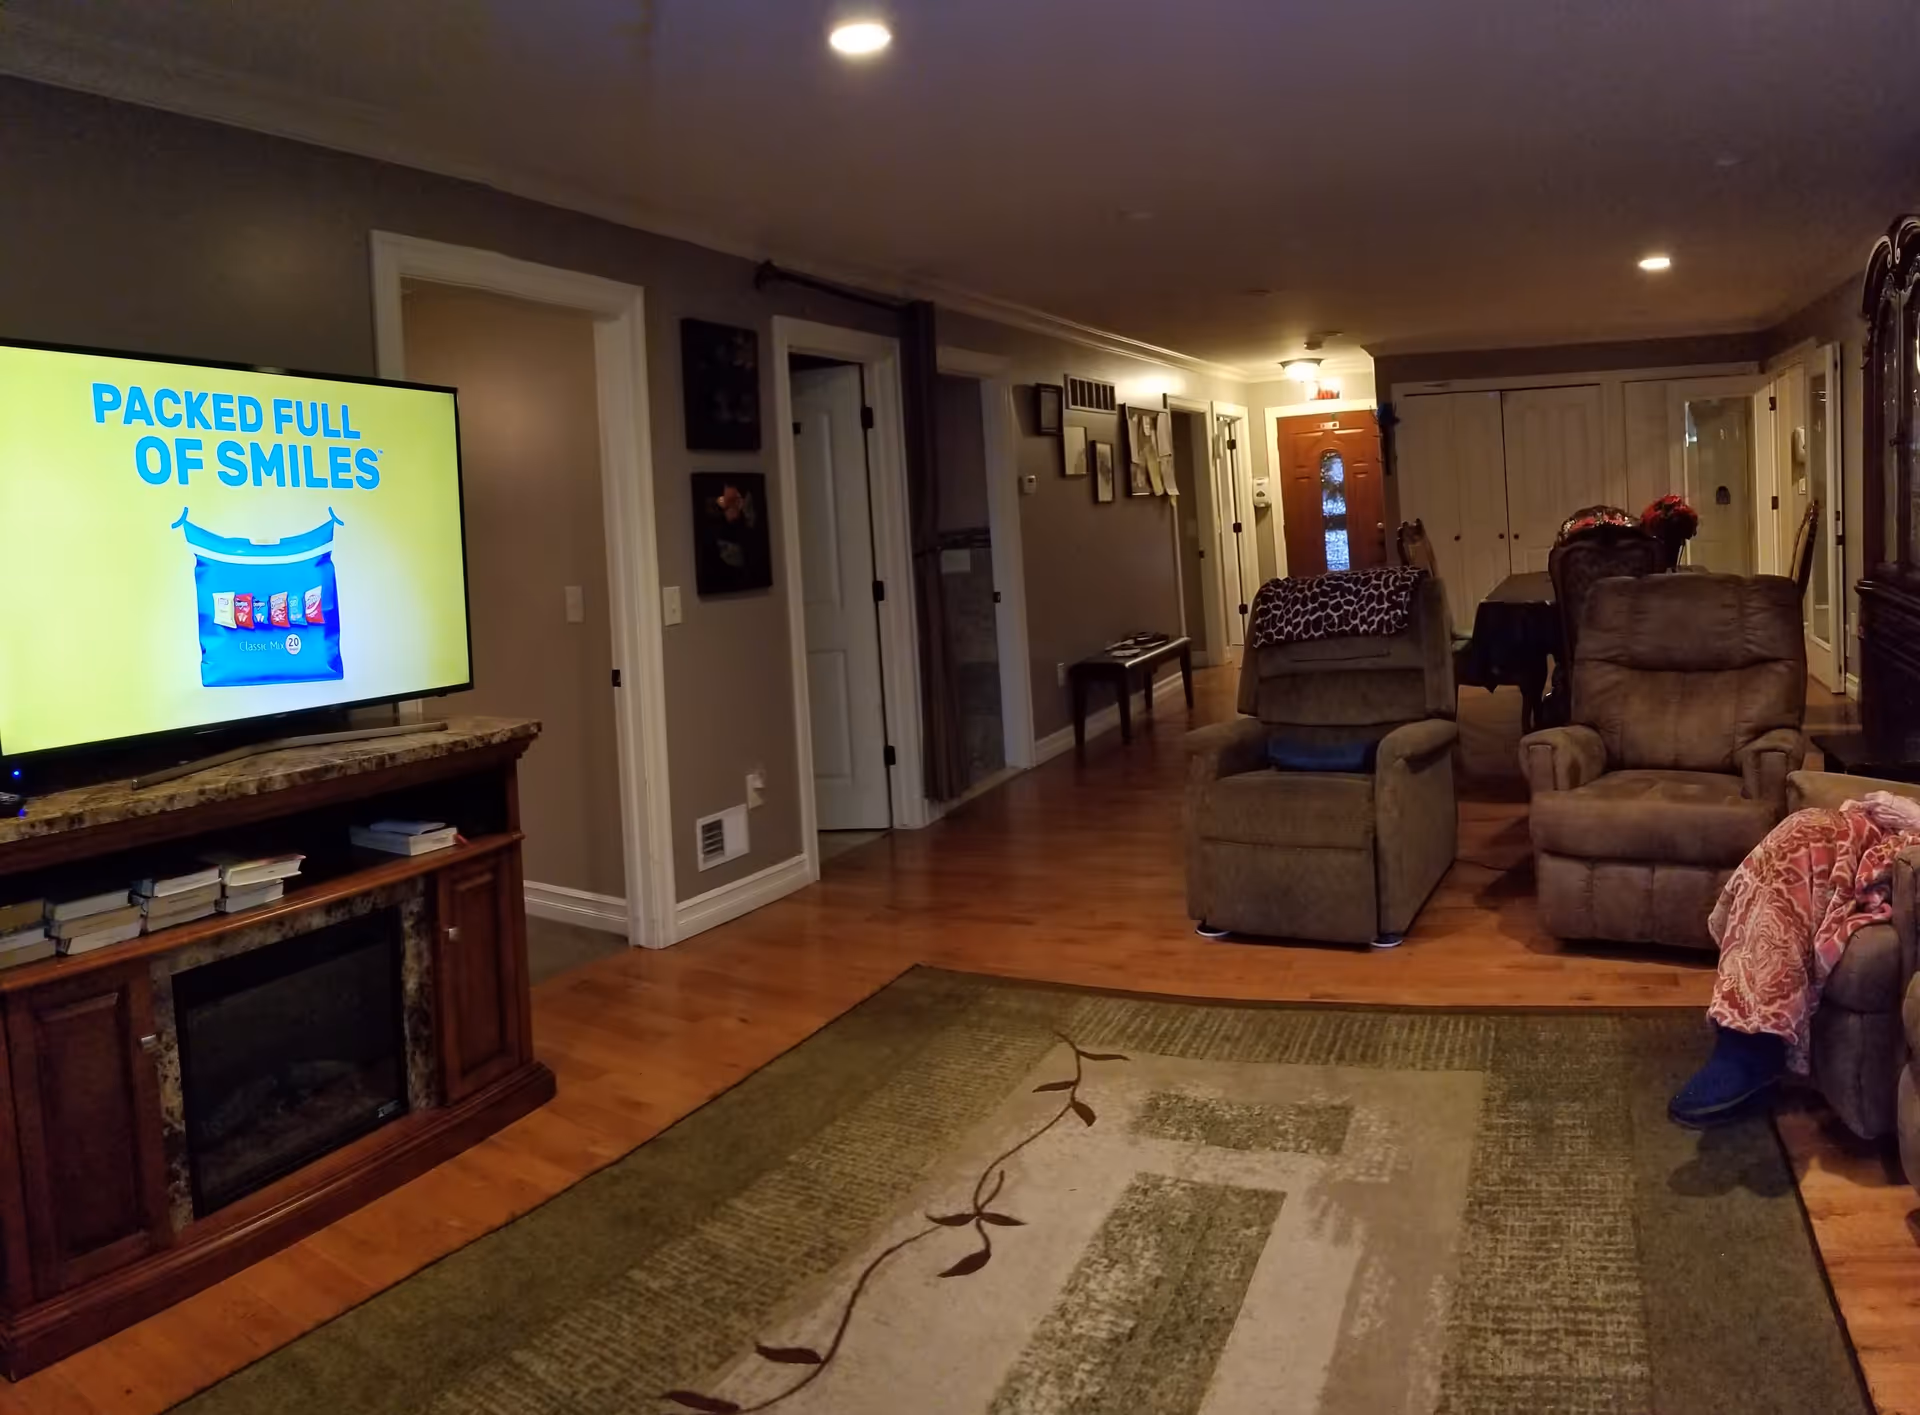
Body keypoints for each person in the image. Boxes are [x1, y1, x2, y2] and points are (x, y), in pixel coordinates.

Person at [1670, 789, 1920, 1127]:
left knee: (1810, 844)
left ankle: (1756, 1042)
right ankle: (1746, 1029)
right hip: (1893, 827)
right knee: (1803, 828)